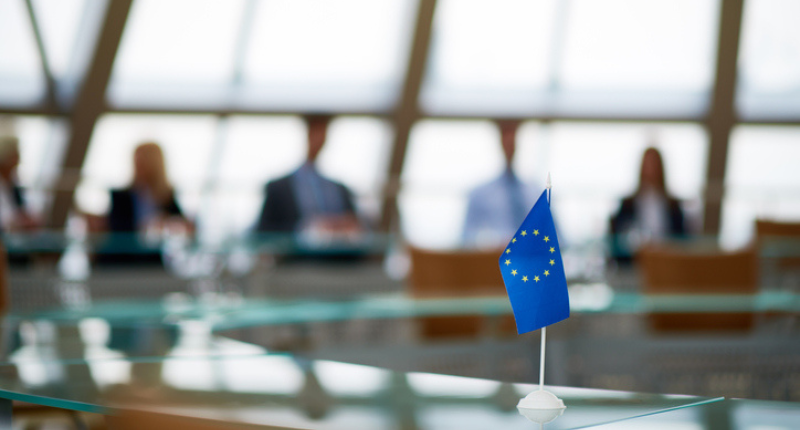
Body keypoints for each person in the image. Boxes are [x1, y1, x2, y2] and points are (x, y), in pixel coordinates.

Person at [256, 115, 361, 238]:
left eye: (323, 133)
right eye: (315, 132)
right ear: (307, 134)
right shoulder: (278, 188)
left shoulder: (340, 189)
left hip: (337, 256)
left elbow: (357, 225)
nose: (319, 139)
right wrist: (307, 228)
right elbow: (263, 230)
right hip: (295, 256)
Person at [97, 142, 192, 264]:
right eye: (137, 161)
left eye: (143, 161)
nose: (139, 166)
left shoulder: (166, 196)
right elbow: (117, 228)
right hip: (122, 261)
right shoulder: (120, 196)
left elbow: (181, 221)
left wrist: (167, 222)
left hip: (152, 261)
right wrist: (146, 225)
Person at [462, 120, 538, 248]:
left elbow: (559, 239)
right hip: (491, 262)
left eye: (513, 136)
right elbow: (466, 239)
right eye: (506, 136)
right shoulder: (479, 195)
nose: (509, 143)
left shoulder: (536, 193)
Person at [610, 147, 686, 264]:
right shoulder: (627, 204)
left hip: (667, 262)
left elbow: (683, 240)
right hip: (634, 264)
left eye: (654, 164)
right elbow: (618, 238)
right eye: (648, 164)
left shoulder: (673, 206)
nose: (651, 168)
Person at [0, 136, 38, 233]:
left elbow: (27, 207)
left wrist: (27, 218)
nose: (18, 160)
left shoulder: (14, 183)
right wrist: (17, 221)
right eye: (14, 156)